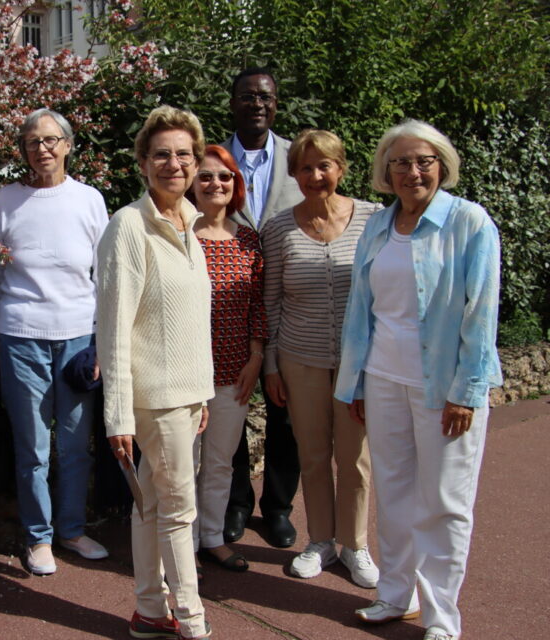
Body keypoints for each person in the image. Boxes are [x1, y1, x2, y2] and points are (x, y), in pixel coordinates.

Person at [335, 120, 501, 640]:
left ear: (442, 165)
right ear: (386, 171)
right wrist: (357, 383)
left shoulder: (469, 223)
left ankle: (441, 618)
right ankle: (394, 595)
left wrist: (467, 392)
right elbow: (362, 311)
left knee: (445, 503)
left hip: (444, 388)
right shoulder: (379, 225)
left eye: (424, 160)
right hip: (384, 379)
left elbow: (482, 313)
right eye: (401, 162)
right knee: (396, 491)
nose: (413, 171)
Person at [98, 105, 213, 640]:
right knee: (179, 511)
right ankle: (192, 622)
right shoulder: (128, 226)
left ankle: (149, 612)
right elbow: (114, 326)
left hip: (186, 395)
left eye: (184, 154)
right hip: (154, 397)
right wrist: (117, 414)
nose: (174, 163)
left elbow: (188, 319)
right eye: (162, 154)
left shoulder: (192, 223)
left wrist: (201, 394)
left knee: (150, 504)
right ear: (143, 162)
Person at [0, 108, 109, 576]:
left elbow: (105, 275)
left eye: (52, 140)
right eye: (34, 141)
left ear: (69, 144)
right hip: (20, 338)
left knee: (76, 445)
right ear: (24, 149)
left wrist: (101, 341)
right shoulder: (5, 200)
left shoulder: (90, 200)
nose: (43, 149)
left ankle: (71, 530)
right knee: (32, 446)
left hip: (77, 338)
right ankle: (38, 538)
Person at [260, 129, 381, 588]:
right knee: (312, 455)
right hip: (299, 359)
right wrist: (271, 364)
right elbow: (270, 303)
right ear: (294, 173)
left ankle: (356, 545)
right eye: (305, 167)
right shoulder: (279, 229)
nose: (315, 175)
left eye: (324, 165)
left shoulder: (374, 219)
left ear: (341, 168)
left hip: (359, 363)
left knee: (355, 459)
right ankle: (321, 541)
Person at [219, 67, 304, 548]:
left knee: (284, 414)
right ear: (232, 103)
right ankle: (235, 503)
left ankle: (277, 508)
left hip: (289, 305)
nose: (257, 104)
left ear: (276, 104)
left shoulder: (298, 157)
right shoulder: (211, 159)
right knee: (231, 404)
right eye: (247, 96)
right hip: (229, 305)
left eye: (266, 97)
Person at [188, 144, 268, 573]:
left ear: (236, 184)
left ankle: (212, 537)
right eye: (205, 176)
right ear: (192, 184)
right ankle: (181, 545)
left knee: (219, 461)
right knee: (184, 463)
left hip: (234, 370)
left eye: (224, 177)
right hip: (184, 372)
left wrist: (256, 356)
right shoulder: (177, 235)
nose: (215, 184)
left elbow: (259, 304)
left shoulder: (249, 239)